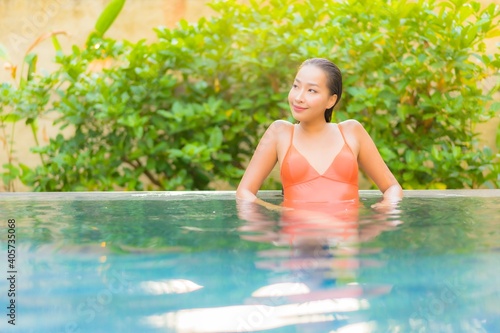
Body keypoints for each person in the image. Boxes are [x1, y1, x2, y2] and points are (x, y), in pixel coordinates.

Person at [236, 58, 403, 210]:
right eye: (296, 86)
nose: (299, 97)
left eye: (312, 91)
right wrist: (277, 209)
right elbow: (244, 192)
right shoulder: (280, 133)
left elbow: (392, 188)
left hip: (344, 237)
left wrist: (386, 207)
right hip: (299, 235)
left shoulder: (352, 132)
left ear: (331, 100)